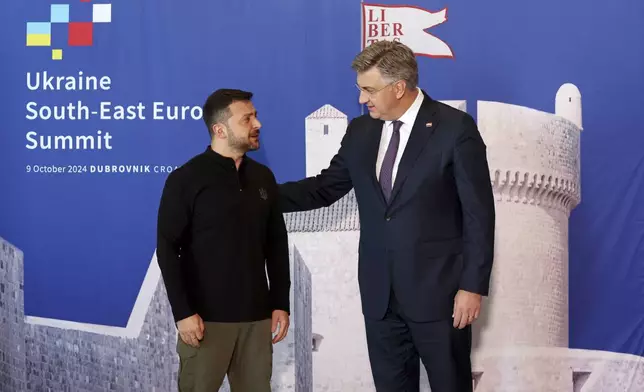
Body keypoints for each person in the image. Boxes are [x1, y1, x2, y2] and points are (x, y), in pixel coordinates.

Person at [278, 41, 495, 392]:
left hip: (439, 296)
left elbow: (479, 215)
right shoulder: (360, 132)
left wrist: (472, 287)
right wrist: (256, 194)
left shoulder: (455, 129)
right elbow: (324, 188)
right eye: (360, 89)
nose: (362, 99)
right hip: (380, 298)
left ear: (398, 87)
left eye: (368, 90)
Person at [156, 88, 291, 392]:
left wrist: (280, 301)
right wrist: (183, 313)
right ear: (220, 129)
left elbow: (276, 244)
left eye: (255, 116)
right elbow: (167, 248)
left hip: (257, 321)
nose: (257, 124)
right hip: (205, 322)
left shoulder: (263, 178)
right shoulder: (186, 179)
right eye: (247, 118)